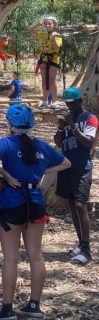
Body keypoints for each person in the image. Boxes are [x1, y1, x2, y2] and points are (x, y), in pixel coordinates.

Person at [0, 103, 71, 320]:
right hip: (35, 202)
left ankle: (7, 308)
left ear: (10, 123)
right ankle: (34, 305)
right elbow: (66, 163)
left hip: (11, 203)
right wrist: (42, 171)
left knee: (10, 258)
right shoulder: (42, 146)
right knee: (36, 255)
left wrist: (4, 172)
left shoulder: (6, 143)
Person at [55, 86, 97, 265]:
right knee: (71, 203)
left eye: (72, 103)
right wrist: (60, 127)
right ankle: (80, 243)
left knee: (80, 204)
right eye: (67, 103)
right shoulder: (68, 119)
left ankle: (87, 250)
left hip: (82, 167)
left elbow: (88, 142)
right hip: (67, 165)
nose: (69, 106)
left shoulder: (90, 119)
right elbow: (58, 142)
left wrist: (72, 125)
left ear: (80, 101)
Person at [33, 15, 63, 108]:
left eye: (50, 24)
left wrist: (54, 37)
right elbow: (31, 30)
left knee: (51, 80)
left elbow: (57, 47)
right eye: (46, 24)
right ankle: (45, 100)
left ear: (54, 25)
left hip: (53, 59)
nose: (48, 25)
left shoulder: (58, 35)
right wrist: (38, 24)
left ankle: (54, 101)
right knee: (44, 81)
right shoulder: (43, 34)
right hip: (44, 59)